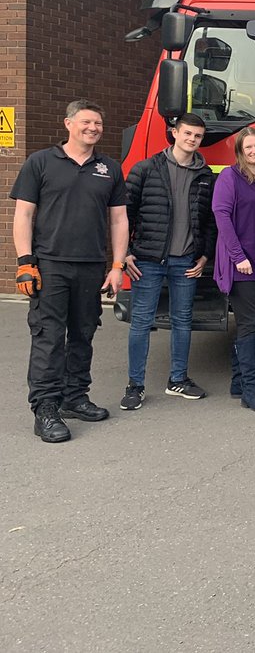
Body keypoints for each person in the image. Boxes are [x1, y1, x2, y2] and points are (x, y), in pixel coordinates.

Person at [12, 99, 128, 443]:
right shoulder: (41, 163)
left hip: (91, 266)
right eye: (86, 122)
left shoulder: (109, 168)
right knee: (48, 338)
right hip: (49, 265)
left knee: (83, 333)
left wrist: (117, 265)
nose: (93, 129)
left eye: (98, 124)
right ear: (68, 124)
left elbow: (119, 219)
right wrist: (24, 262)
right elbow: (24, 215)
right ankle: (45, 408)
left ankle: (74, 397)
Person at [120, 113, 216, 411]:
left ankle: (178, 380)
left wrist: (205, 254)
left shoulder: (205, 174)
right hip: (147, 260)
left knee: (182, 321)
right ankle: (135, 386)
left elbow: (210, 221)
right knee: (141, 322)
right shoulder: (146, 169)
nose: (192, 140)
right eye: (187, 133)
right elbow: (123, 214)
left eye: (198, 136)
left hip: (186, 260)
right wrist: (123, 253)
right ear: (174, 133)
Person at [213, 127, 255, 413]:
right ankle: (251, 391)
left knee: (253, 321)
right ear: (240, 152)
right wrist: (237, 255)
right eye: (248, 147)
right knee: (250, 323)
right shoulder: (230, 177)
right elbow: (221, 215)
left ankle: (239, 381)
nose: (254, 151)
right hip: (241, 262)